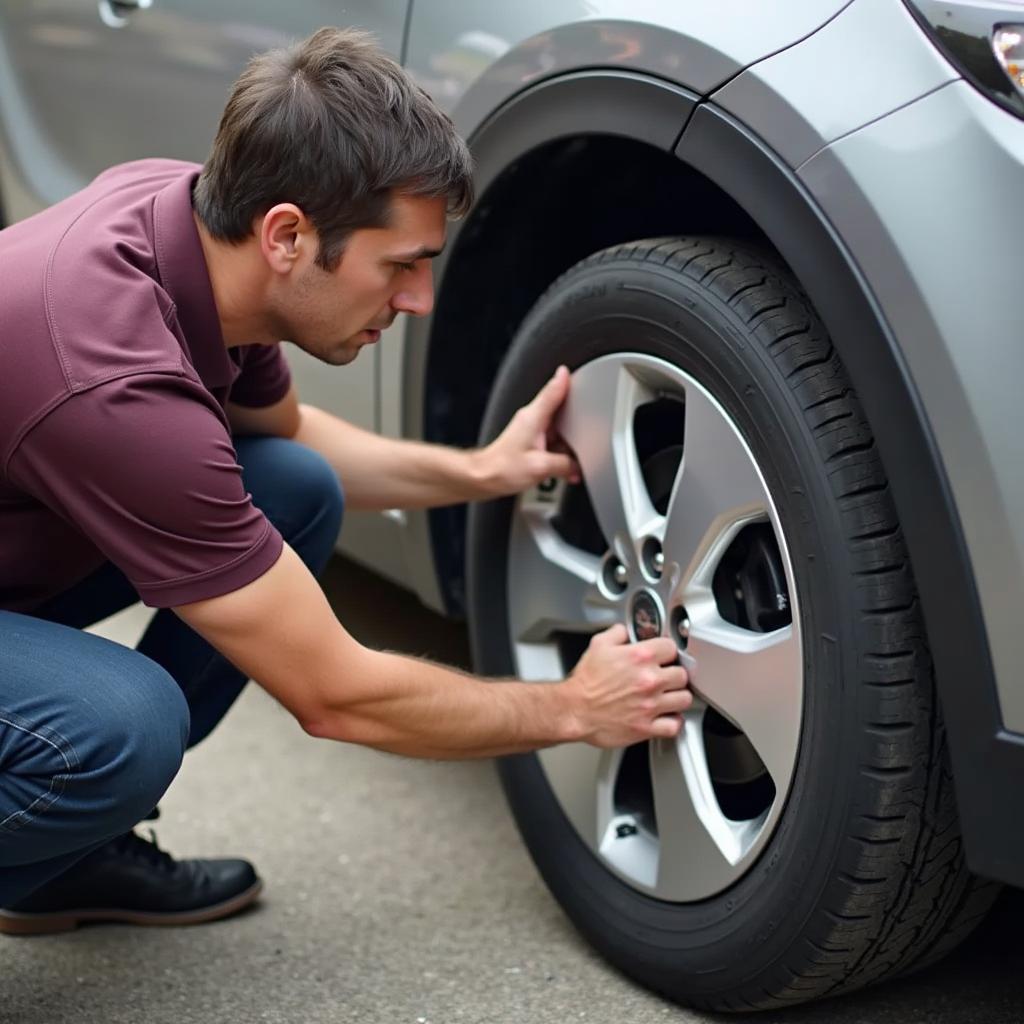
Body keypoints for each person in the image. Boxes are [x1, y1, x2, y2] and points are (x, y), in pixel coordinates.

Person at [0, 27, 690, 935]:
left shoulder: (196, 233)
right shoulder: (114, 379)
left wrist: (483, 472)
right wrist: (570, 708)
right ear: (288, 234)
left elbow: (289, 435)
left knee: (294, 486)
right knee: (119, 729)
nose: (419, 301)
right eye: (400, 265)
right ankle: (57, 821)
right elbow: (336, 695)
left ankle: (56, 864)